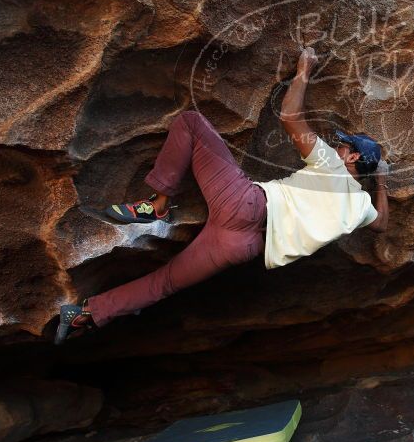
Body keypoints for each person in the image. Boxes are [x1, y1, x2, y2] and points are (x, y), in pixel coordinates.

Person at [55, 47, 389, 344]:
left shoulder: (331, 163)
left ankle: (158, 206)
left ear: (353, 157)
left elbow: (290, 116)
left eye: (344, 145)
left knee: (191, 122)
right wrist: (383, 183)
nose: (337, 145)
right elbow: (382, 224)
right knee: (163, 284)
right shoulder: (362, 207)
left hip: (245, 205)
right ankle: (84, 314)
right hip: (243, 246)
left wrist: (303, 71)